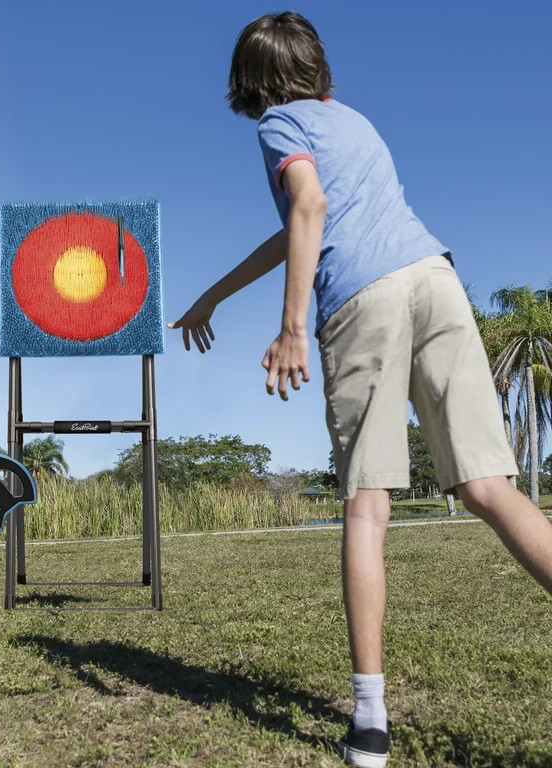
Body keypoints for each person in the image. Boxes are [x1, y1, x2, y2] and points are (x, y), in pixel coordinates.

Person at [169, 12, 552, 767]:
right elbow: (296, 226)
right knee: (489, 485)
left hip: (364, 298)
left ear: (252, 81)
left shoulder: (278, 124)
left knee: (368, 506)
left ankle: (370, 720)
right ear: (316, 64)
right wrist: (214, 294)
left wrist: (291, 326)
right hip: (435, 279)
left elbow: (308, 208)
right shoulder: (353, 123)